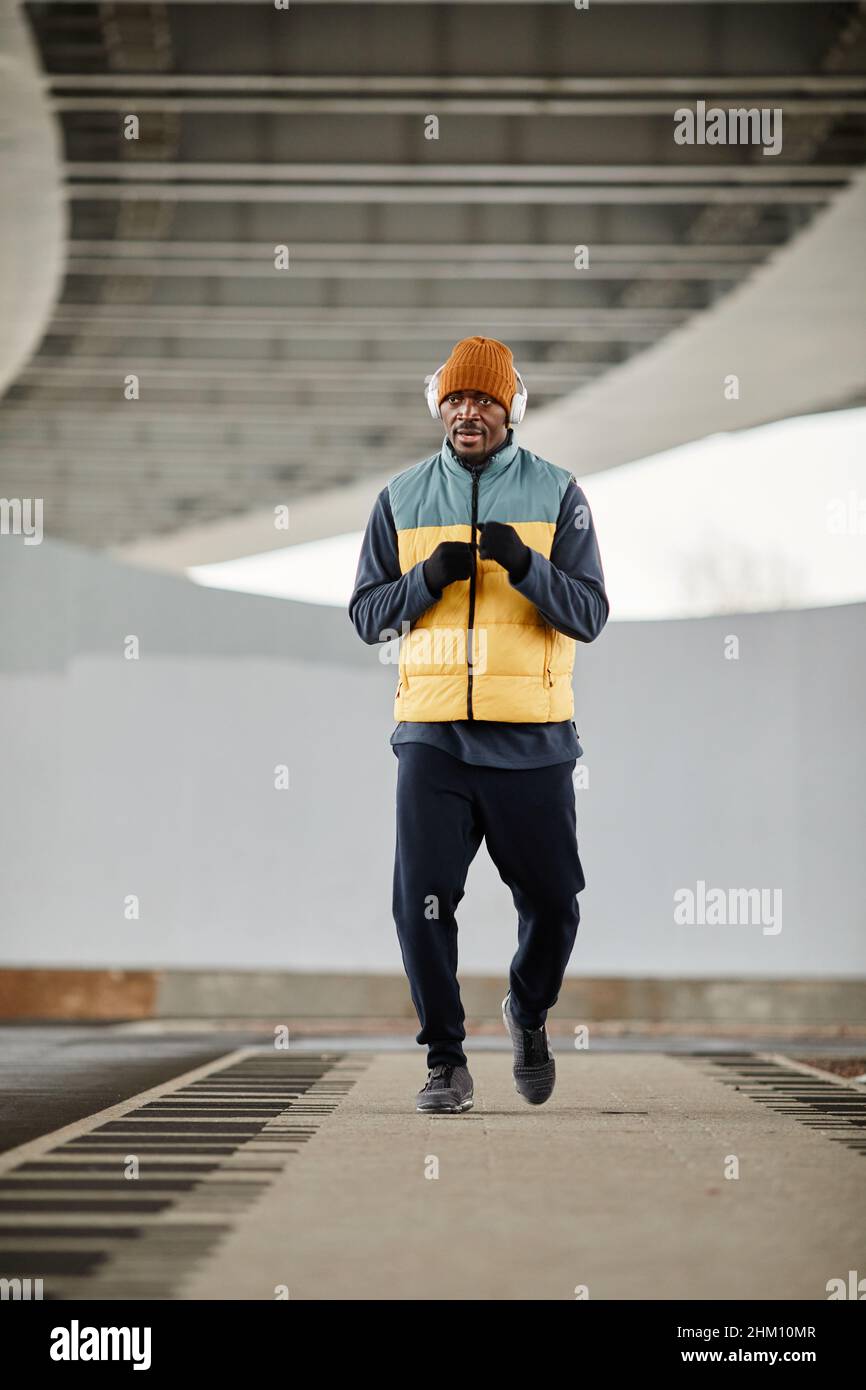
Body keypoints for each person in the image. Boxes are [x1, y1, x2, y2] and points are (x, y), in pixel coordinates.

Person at [348, 336, 609, 1114]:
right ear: (441, 407)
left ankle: (527, 1012)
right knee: (421, 901)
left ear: (509, 411)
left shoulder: (560, 494)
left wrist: (528, 568)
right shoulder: (398, 498)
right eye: (458, 399)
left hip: (532, 736)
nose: (471, 411)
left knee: (556, 901)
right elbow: (367, 616)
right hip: (433, 737)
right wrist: (425, 580)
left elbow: (590, 613)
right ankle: (445, 1062)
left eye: (486, 400)